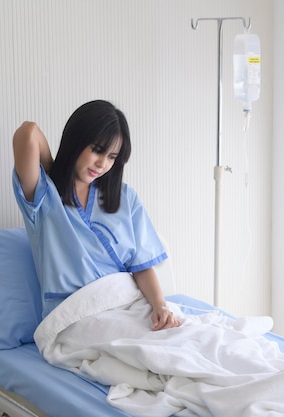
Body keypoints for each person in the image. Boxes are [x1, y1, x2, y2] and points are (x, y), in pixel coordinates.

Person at [12, 99, 180, 331]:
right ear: (76, 141)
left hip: (126, 303)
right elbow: (28, 133)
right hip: (74, 317)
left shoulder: (125, 197)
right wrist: (55, 172)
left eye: (112, 156)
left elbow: (140, 266)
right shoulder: (44, 198)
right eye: (97, 150)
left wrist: (159, 306)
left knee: (188, 338)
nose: (102, 163)